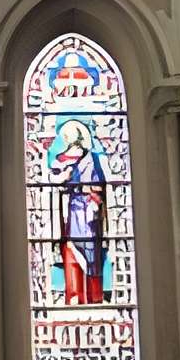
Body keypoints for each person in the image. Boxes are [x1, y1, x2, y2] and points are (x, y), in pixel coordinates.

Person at [51, 118, 108, 305]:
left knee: (91, 254)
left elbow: (98, 185)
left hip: (88, 214)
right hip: (72, 212)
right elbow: (54, 180)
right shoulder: (61, 160)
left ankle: (93, 297)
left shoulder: (91, 159)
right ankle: (75, 296)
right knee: (70, 250)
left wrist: (83, 188)